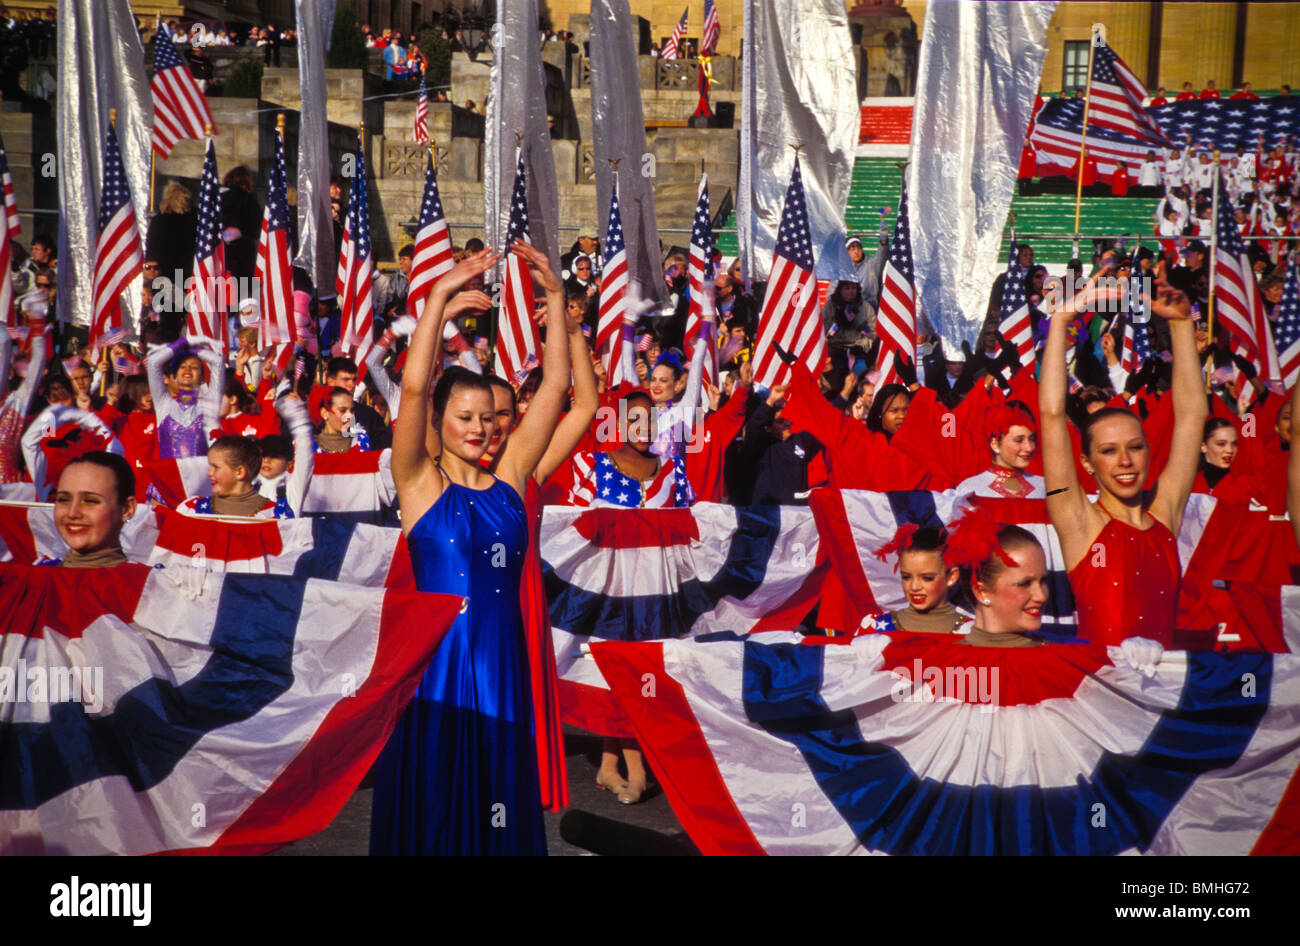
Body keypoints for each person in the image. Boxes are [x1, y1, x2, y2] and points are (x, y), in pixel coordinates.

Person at [371, 243, 569, 856]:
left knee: (500, 797)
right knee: (437, 793)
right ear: (440, 418)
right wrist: (435, 300)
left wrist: (558, 300)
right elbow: (410, 389)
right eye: (464, 417)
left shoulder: (511, 482)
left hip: (502, 661)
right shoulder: (419, 482)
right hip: (438, 667)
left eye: (490, 417)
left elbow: (558, 385)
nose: (481, 428)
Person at [1040, 266, 1205, 648]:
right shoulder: (1079, 521)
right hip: (1101, 699)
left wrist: (1181, 325)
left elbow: (1193, 415)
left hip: (1164, 699)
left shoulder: (1166, 513)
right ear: (1086, 463)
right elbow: (1050, 415)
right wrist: (1062, 319)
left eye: (1135, 447)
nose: (1125, 461)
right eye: (1108, 452)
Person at [855, 525, 966, 635]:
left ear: (952, 576)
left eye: (927, 578)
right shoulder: (874, 627)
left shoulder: (970, 631)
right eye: (906, 577)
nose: (914, 587)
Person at [50, 452, 138, 568]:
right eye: (63, 499)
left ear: (127, 509)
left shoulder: (146, 584)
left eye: (91, 501)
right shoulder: (33, 579)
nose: (72, 513)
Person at [145, 339, 224, 459]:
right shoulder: (164, 404)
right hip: (171, 475)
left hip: (199, 475)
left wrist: (194, 350)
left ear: (202, 378)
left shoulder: (210, 404)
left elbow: (218, 362)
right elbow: (153, 362)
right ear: (175, 376)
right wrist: (181, 343)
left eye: (194, 367)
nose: (187, 369)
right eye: (182, 366)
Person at [954, 403, 1044, 499]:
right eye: (1019, 440)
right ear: (995, 444)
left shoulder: (1043, 486)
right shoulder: (971, 489)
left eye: (1032, 439)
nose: (1029, 448)